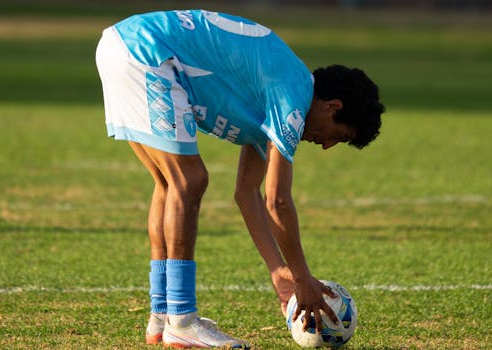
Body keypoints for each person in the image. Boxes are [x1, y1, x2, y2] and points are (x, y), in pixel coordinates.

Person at [95, 9, 384, 349]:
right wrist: (303, 277)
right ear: (332, 107)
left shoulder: (276, 94)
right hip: (147, 52)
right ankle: (182, 321)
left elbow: (248, 193)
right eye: (339, 135)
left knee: (169, 183)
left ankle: (162, 316)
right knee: (189, 181)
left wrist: (279, 272)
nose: (326, 145)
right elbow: (277, 201)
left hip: (125, 44)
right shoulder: (293, 98)